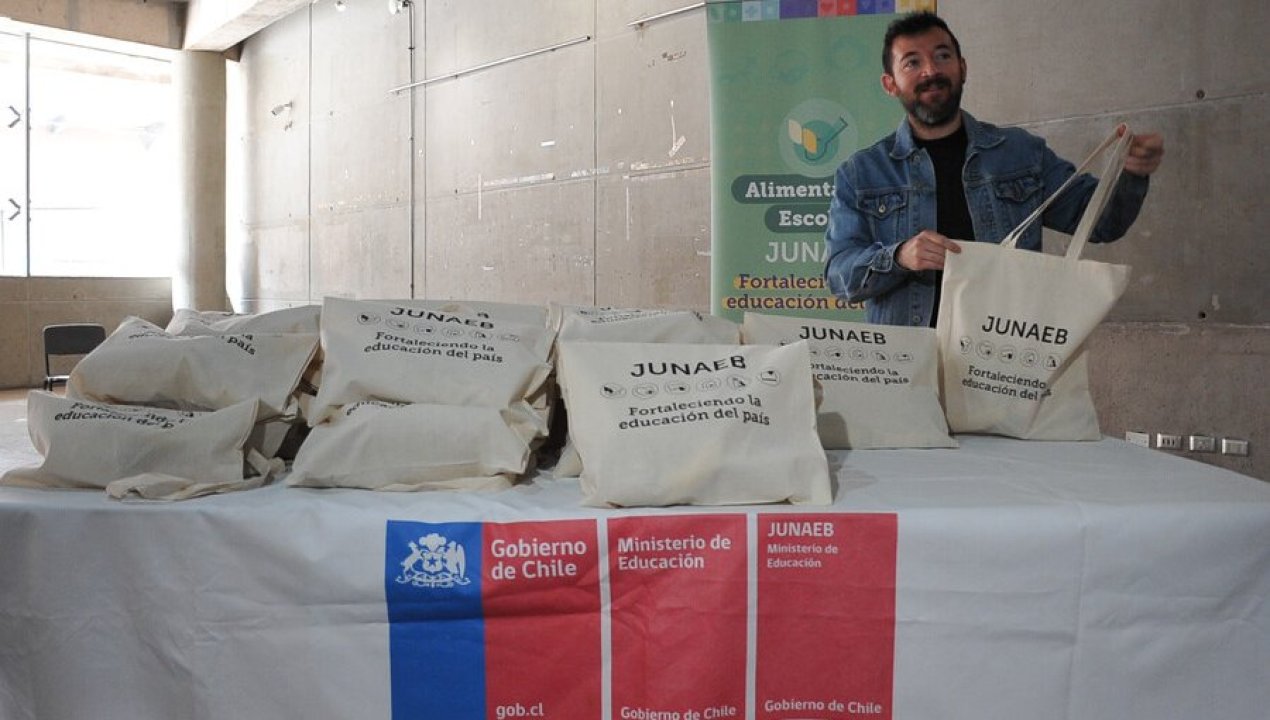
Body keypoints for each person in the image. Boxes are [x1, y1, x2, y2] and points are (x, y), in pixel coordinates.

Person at [823, 11, 1165, 327]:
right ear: (890, 84)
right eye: (912, 62)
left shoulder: (1021, 153)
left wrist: (1133, 172)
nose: (930, 71)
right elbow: (839, 276)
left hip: (1005, 357)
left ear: (963, 68)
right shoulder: (861, 173)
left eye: (942, 56)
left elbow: (1102, 222)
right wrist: (899, 256)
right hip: (909, 364)